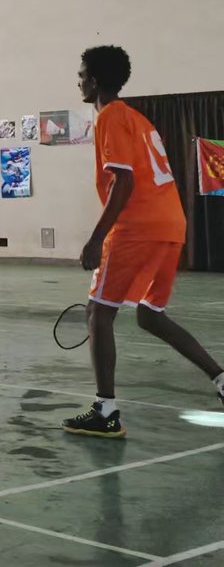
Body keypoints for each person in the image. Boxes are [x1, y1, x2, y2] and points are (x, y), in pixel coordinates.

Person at [63, 45, 224, 438]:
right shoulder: (140, 119)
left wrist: (96, 238)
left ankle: (105, 411)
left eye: (82, 74)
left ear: (96, 81)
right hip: (171, 225)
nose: (78, 80)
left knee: (98, 313)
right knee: (150, 314)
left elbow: (125, 180)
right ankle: (221, 378)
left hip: (136, 227)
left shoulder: (110, 117)